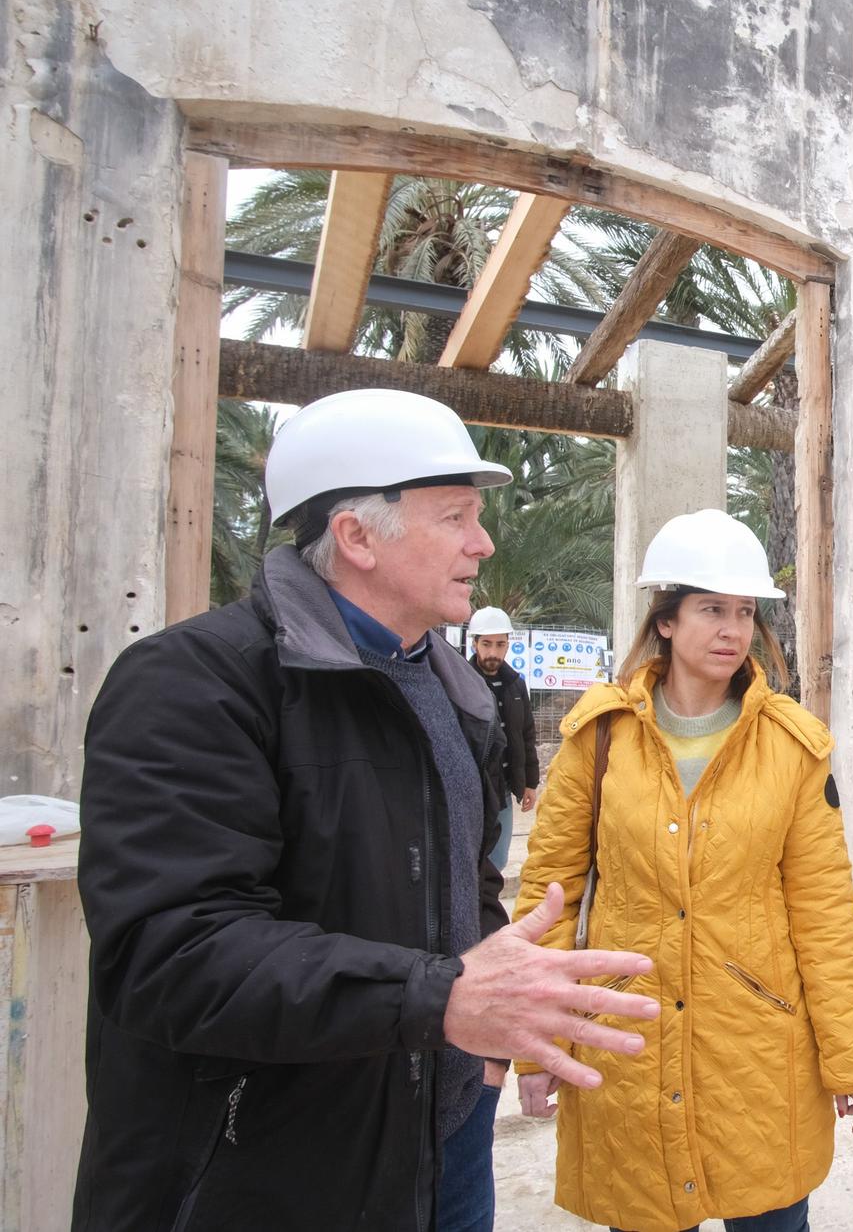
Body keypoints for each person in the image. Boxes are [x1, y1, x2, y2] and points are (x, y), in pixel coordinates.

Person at [72, 388, 658, 1232]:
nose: (482, 543)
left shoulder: (453, 695)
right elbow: (168, 954)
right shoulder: (194, 685)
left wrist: (484, 1046)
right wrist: (441, 998)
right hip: (270, 1170)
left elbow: (464, 883)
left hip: (445, 1135)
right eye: (456, 516)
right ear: (355, 537)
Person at [513, 507, 853, 1232]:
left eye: (744, 612)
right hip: (628, 1034)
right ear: (666, 622)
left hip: (755, 1051)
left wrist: (850, 1059)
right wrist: (539, 1047)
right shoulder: (599, 738)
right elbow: (548, 898)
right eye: (711, 609)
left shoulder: (792, 747)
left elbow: (824, 912)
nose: (732, 630)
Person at [468, 605, 539, 872]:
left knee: (497, 863)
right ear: (474, 644)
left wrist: (529, 783)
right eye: (486, 644)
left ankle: (489, 913)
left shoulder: (515, 685)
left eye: (500, 644)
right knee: (472, 862)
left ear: (508, 645)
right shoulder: (461, 683)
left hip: (504, 795)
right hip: (475, 793)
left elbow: (526, 735)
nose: (493, 653)